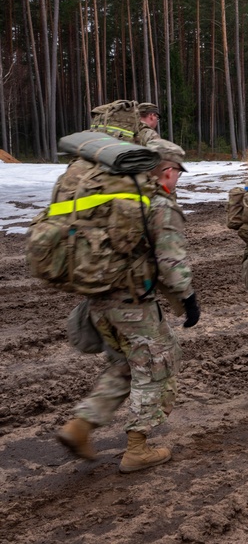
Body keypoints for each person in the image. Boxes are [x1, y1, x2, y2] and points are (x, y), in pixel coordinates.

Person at [56, 138, 199, 473]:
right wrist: (188, 299)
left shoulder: (115, 198)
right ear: (166, 170)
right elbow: (171, 262)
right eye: (177, 171)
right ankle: (138, 448)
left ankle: (80, 426)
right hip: (133, 306)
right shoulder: (157, 205)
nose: (178, 178)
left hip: (97, 303)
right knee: (156, 368)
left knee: (124, 365)